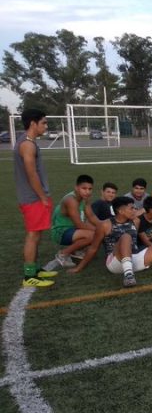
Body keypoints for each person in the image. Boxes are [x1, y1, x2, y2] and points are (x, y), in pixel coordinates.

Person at [14, 108, 58, 287]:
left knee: (37, 234)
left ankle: (35, 269)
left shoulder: (29, 142)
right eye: (43, 123)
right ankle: (29, 276)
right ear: (33, 123)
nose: (46, 126)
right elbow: (31, 173)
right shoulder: (27, 144)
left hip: (34, 197)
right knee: (33, 235)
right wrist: (42, 197)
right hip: (33, 198)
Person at [44, 174, 100, 271]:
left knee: (95, 228)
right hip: (61, 231)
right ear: (76, 188)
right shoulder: (71, 200)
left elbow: (91, 216)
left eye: (90, 189)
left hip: (73, 229)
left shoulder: (85, 198)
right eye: (84, 188)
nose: (87, 192)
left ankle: (76, 251)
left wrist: (104, 226)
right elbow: (79, 224)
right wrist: (99, 230)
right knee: (93, 235)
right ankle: (63, 254)